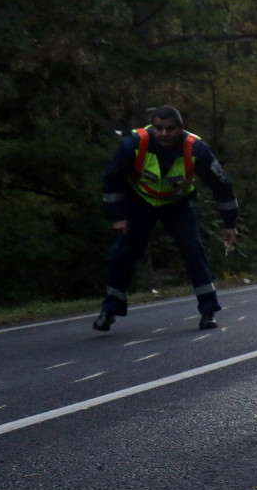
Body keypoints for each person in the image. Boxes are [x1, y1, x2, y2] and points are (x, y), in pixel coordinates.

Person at [93, 106, 239, 333]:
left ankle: (208, 311)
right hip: (140, 203)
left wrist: (229, 223)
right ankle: (109, 311)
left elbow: (222, 185)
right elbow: (111, 180)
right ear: (152, 127)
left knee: (193, 250)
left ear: (180, 128)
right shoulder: (133, 144)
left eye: (170, 129)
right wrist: (118, 216)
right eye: (158, 128)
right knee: (121, 255)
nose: (164, 134)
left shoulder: (196, 149)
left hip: (177, 205)